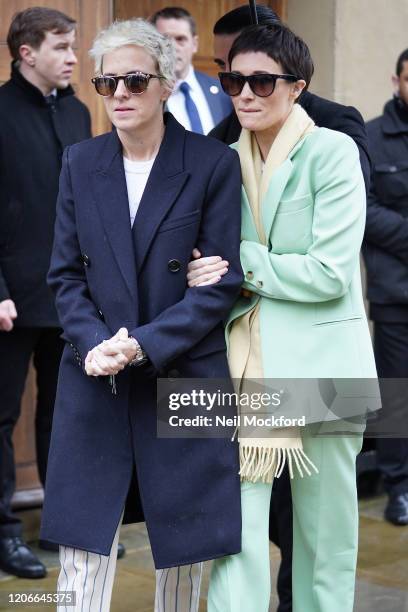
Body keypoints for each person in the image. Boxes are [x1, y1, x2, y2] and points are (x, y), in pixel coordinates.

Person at [39, 18, 243, 612]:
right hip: (94, 368)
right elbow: (65, 276)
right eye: (106, 84)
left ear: (166, 82)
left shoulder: (211, 164)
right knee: (82, 542)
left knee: (185, 545)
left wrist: (142, 344)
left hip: (180, 371)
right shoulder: (80, 161)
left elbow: (218, 284)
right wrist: (96, 343)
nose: (120, 94)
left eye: (133, 80)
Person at [187, 23, 377, 612]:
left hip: (328, 368)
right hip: (246, 366)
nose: (244, 93)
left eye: (261, 81)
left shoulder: (334, 151)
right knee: (233, 534)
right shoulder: (222, 163)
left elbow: (330, 272)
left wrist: (238, 262)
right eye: (234, 80)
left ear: (296, 87)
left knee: (326, 536)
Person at [0, 7, 92, 580]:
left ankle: (62, 525)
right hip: (9, 298)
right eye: (61, 47)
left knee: (65, 416)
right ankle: (5, 534)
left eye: (73, 46)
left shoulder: (81, 112)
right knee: (0, 416)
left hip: (68, 296)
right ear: (27, 53)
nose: (73, 57)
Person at [363, 48, 408, 526]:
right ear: (396, 80)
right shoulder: (373, 137)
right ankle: (399, 485)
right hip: (396, 292)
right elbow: (365, 212)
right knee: (398, 394)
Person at [151, 6, 232, 134]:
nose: (172, 47)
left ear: (194, 44)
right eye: (164, 39)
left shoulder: (223, 91)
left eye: (180, 39)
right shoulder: (146, 96)